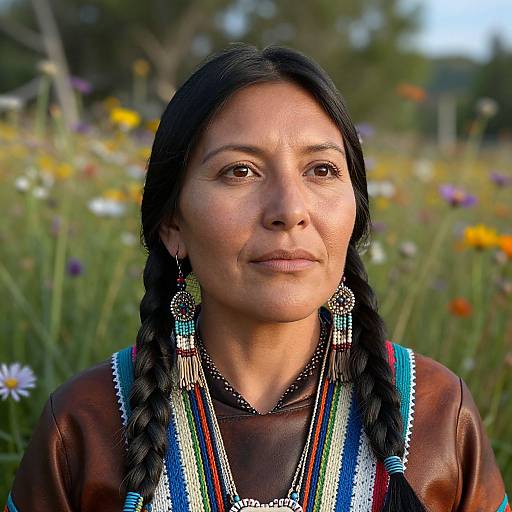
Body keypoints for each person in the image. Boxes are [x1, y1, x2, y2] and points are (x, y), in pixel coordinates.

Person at [4, 42, 509, 512]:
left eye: (323, 170)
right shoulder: (84, 425)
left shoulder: (438, 414)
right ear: (173, 224)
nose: (290, 210)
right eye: (240, 171)